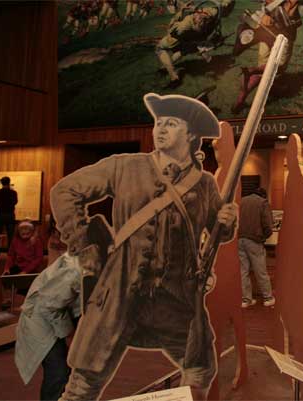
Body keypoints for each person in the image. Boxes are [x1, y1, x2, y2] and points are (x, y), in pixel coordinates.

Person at [51, 93, 237, 401]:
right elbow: (64, 191)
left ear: (190, 134)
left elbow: (219, 233)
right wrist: (83, 244)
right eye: (158, 123)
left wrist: (226, 221)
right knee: (82, 385)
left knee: (200, 370)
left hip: (176, 301)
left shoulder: (204, 184)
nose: (160, 129)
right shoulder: (124, 166)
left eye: (171, 123)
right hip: (119, 294)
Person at [14, 251, 82, 401]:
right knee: (58, 373)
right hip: (42, 317)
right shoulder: (76, 268)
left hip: (59, 312)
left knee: (68, 372)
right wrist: (69, 334)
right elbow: (49, 306)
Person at [238, 187, 275, 308]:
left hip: (240, 239)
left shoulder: (241, 201)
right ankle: (268, 298)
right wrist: (264, 236)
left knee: (243, 271)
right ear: (263, 195)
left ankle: (246, 299)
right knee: (260, 270)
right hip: (254, 240)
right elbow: (268, 224)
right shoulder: (263, 202)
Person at [0, 176, 17, 258]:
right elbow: (15, 202)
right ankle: (11, 256)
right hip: (9, 215)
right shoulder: (13, 193)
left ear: (1, 183)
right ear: (9, 182)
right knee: (11, 236)